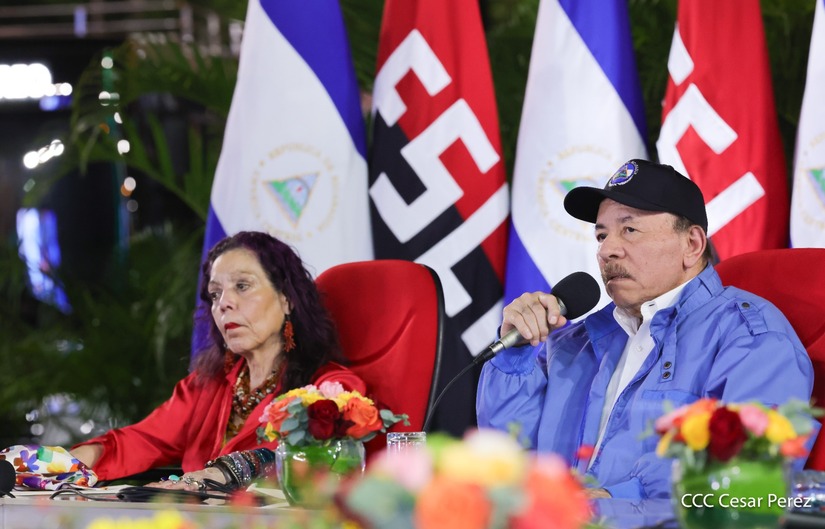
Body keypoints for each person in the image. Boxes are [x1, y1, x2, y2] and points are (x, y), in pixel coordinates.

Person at [477, 159, 815, 499]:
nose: (607, 250)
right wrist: (515, 356)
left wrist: (610, 502)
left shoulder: (751, 336)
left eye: (630, 230)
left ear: (692, 245)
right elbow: (507, 460)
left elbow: (747, 473)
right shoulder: (572, 344)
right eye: (601, 235)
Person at [70, 231, 366, 487]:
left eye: (242, 286)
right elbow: (139, 441)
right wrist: (63, 463)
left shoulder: (332, 389)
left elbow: (302, 459)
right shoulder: (204, 386)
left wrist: (217, 475)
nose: (224, 303)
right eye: (215, 294)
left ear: (286, 299)